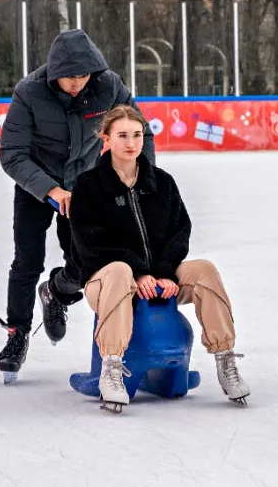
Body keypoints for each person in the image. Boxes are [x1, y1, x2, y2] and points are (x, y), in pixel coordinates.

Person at [0, 29, 154, 382]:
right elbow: (12, 154)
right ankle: (17, 334)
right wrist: (51, 190)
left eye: (83, 75)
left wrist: (144, 179)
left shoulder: (109, 86)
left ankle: (56, 291)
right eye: (69, 76)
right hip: (36, 184)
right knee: (27, 261)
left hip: (84, 183)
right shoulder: (29, 91)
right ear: (54, 73)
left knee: (87, 261)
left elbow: (141, 131)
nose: (77, 83)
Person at [68, 105, 248, 414]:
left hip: (159, 280)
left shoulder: (161, 182)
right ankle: (112, 368)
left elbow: (181, 231)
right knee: (119, 271)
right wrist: (138, 272)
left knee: (204, 270)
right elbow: (89, 246)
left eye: (137, 135)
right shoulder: (88, 187)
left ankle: (225, 358)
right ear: (106, 138)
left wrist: (167, 273)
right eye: (122, 135)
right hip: (108, 282)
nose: (131, 143)